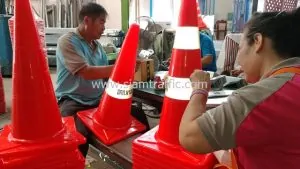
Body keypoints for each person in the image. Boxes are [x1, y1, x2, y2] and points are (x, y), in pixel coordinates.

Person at [179, 8, 300, 169]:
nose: (238, 57)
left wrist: (200, 89)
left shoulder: (260, 97)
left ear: (258, 42)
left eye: (240, 47)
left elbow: (189, 136)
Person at [55, 3, 150, 157]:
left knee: (137, 114)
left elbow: (106, 77)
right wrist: (121, 67)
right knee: (77, 136)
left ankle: (143, 157)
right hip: (73, 101)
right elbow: (85, 72)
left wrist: (126, 70)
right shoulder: (68, 42)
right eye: (101, 22)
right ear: (87, 20)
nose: (104, 27)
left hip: (98, 100)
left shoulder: (98, 47)